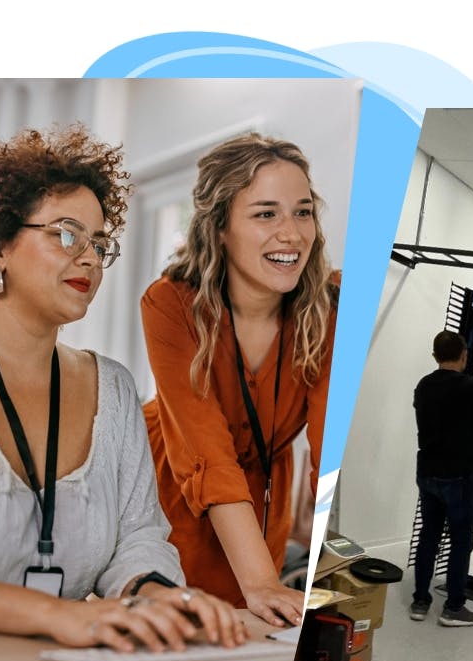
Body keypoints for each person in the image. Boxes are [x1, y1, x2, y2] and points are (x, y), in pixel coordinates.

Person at [0, 124, 245, 651]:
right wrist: (59, 617)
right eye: (66, 233)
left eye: (100, 242)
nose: (90, 258)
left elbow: (139, 535)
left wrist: (158, 593)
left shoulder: (114, 389)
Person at [141, 133, 336, 627]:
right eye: (266, 213)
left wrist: (323, 561)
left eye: (303, 211)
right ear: (220, 226)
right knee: (184, 639)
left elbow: (328, 441)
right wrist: (261, 581)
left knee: (257, 641)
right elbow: (205, 449)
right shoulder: (170, 304)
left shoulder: (331, 307)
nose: (291, 234)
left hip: (265, 498)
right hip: (178, 490)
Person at [411, 330, 473, 627]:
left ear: (435, 356)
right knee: (461, 541)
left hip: (427, 471)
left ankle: (420, 601)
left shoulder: (423, 385)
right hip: (457, 475)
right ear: (464, 354)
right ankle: (454, 607)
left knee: (429, 536)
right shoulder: (470, 387)